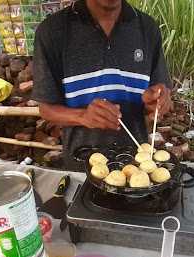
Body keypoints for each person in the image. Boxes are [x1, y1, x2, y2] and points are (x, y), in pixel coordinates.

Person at [32, 0, 172, 170]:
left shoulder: (147, 28)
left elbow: (158, 95)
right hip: (81, 164)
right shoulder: (52, 31)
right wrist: (83, 116)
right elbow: (46, 109)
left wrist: (155, 102)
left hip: (138, 166)